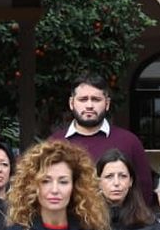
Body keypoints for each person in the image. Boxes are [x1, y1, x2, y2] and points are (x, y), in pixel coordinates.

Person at [55, 72, 154, 208]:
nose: (89, 105)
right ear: (71, 103)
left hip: (122, 226)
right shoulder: (55, 143)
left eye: (96, 99)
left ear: (107, 103)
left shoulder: (129, 142)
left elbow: (144, 190)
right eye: (83, 99)